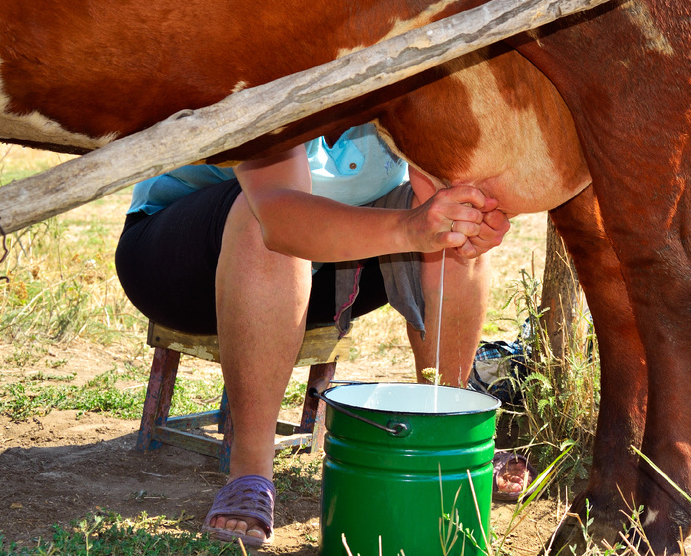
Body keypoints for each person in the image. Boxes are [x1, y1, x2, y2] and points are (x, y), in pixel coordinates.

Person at [114, 123, 510, 548]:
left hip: (328, 263)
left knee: (456, 219)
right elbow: (280, 215)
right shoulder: (270, 68)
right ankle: (250, 472)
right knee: (260, 218)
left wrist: (459, 212)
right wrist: (410, 228)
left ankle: (450, 439)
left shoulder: (401, 77)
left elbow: (442, 187)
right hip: (182, 261)